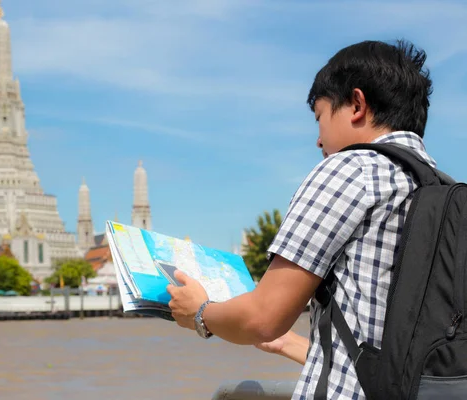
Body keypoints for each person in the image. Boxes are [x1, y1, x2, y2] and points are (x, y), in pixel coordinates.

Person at [167, 39, 435, 399]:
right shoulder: (436, 187)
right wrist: (290, 344)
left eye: (320, 117)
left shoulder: (348, 169)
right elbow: (384, 344)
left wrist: (199, 313)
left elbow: (262, 317)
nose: (318, 140)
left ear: (357, 105)